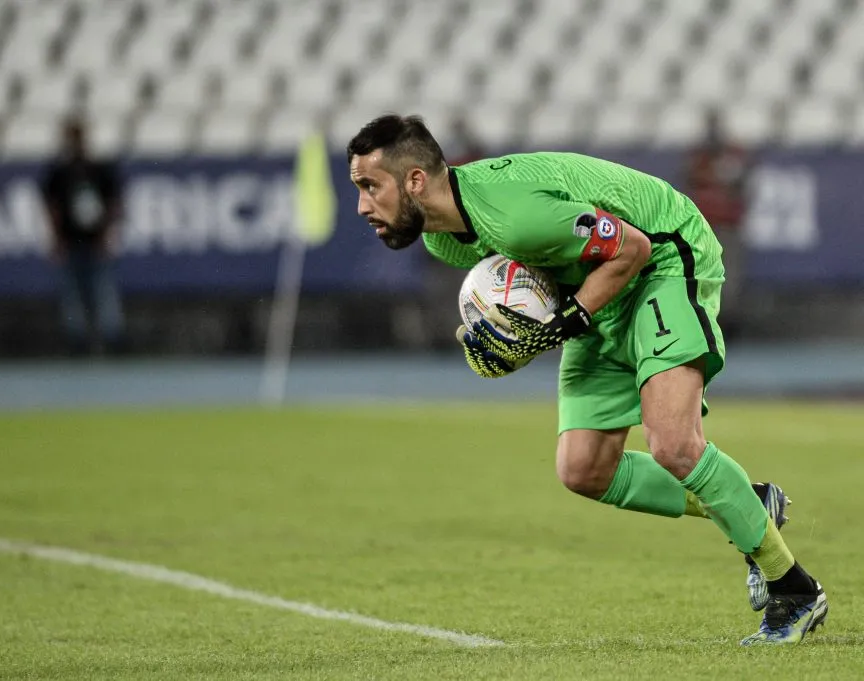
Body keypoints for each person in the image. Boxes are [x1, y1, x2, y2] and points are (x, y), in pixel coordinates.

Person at [346, 114, 826, 646]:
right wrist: (516, 334)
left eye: (371, 186)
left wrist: (561, 325)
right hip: (598, 289)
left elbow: (633, 247)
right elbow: (540, 279)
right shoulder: (445, 241)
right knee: (583, 468)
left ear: (415, 181)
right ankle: (748, 503)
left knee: (673, 444)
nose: (364, 205)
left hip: (663, 259)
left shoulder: (514, 215)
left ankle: (795, 590)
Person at [41, 116, 125, 355]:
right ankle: (77, 341)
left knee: (101, 290)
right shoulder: (60, 172)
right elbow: (52, 208)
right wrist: (56, 239)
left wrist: (107, 233)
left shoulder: (97, 169)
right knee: (74, 293)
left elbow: (113, 203)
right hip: (71, 240)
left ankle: (111, 339)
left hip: (94, 239)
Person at [685, 109, 752, 340]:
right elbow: (691, 180)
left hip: (726, 224)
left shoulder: (733, 154)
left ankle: (728, 324)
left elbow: (742, 183)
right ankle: (705, 321)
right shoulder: (698, 155)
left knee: (729, 274)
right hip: (705, 223)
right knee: (703, 272)